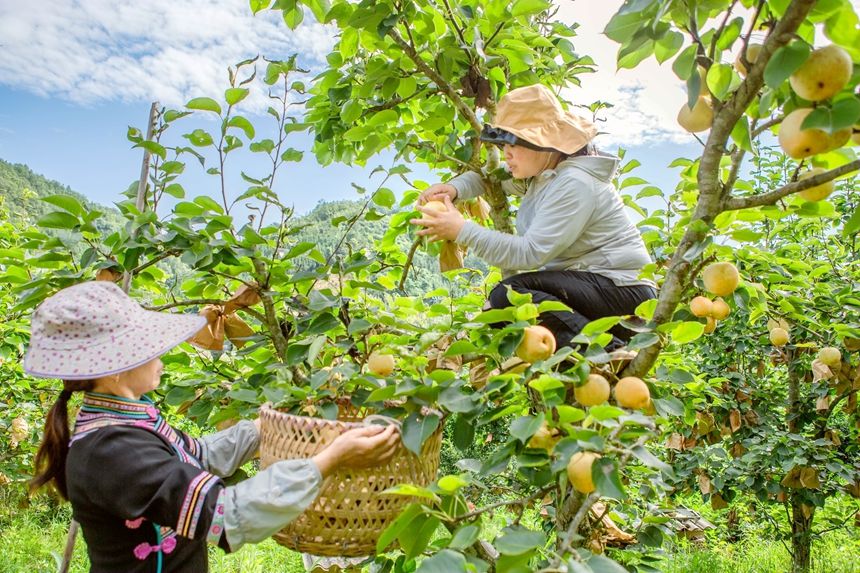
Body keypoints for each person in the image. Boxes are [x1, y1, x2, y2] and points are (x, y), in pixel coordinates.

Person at [25, 280, 399, 573]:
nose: (161, 352)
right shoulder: (113, 451)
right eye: (147, 346)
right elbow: (226, 515)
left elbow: (196, 455)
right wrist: (331, 459)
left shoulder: (127, 422)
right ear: (118, 365)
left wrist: (267, 427)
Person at [413, 83, 657, 351]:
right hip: (599, 291)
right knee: (501, 311)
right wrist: (456, 188)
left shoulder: (574, 183)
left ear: (543, 143)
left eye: (514, 143)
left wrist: (462, 231)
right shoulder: (544, 176)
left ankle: (608, 354)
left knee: (510, 297)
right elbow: (491, 179)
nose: (506, 152)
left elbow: (531, 253)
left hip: (624, 295)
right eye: (503, 142)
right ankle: (588, 371)